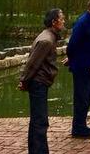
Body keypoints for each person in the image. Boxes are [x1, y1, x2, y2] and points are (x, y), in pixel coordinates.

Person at [18, 8, 65, 154]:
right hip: (38, 83)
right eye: (62, 19)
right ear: (54, 22)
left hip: (40, 82)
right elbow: (32, 64)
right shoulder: (46, 40)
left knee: (38, 120)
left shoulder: (49, 37)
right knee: (40, 120)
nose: (64, 21)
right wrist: (24, 81)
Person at [65, 0, 90, 138]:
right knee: (81, 96)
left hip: (89, 65)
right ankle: (78, 128)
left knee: (88, 95)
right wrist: (71, 59)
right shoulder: (83, 22)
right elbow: (72, 44)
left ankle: (81, 125)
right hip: (81, 65)